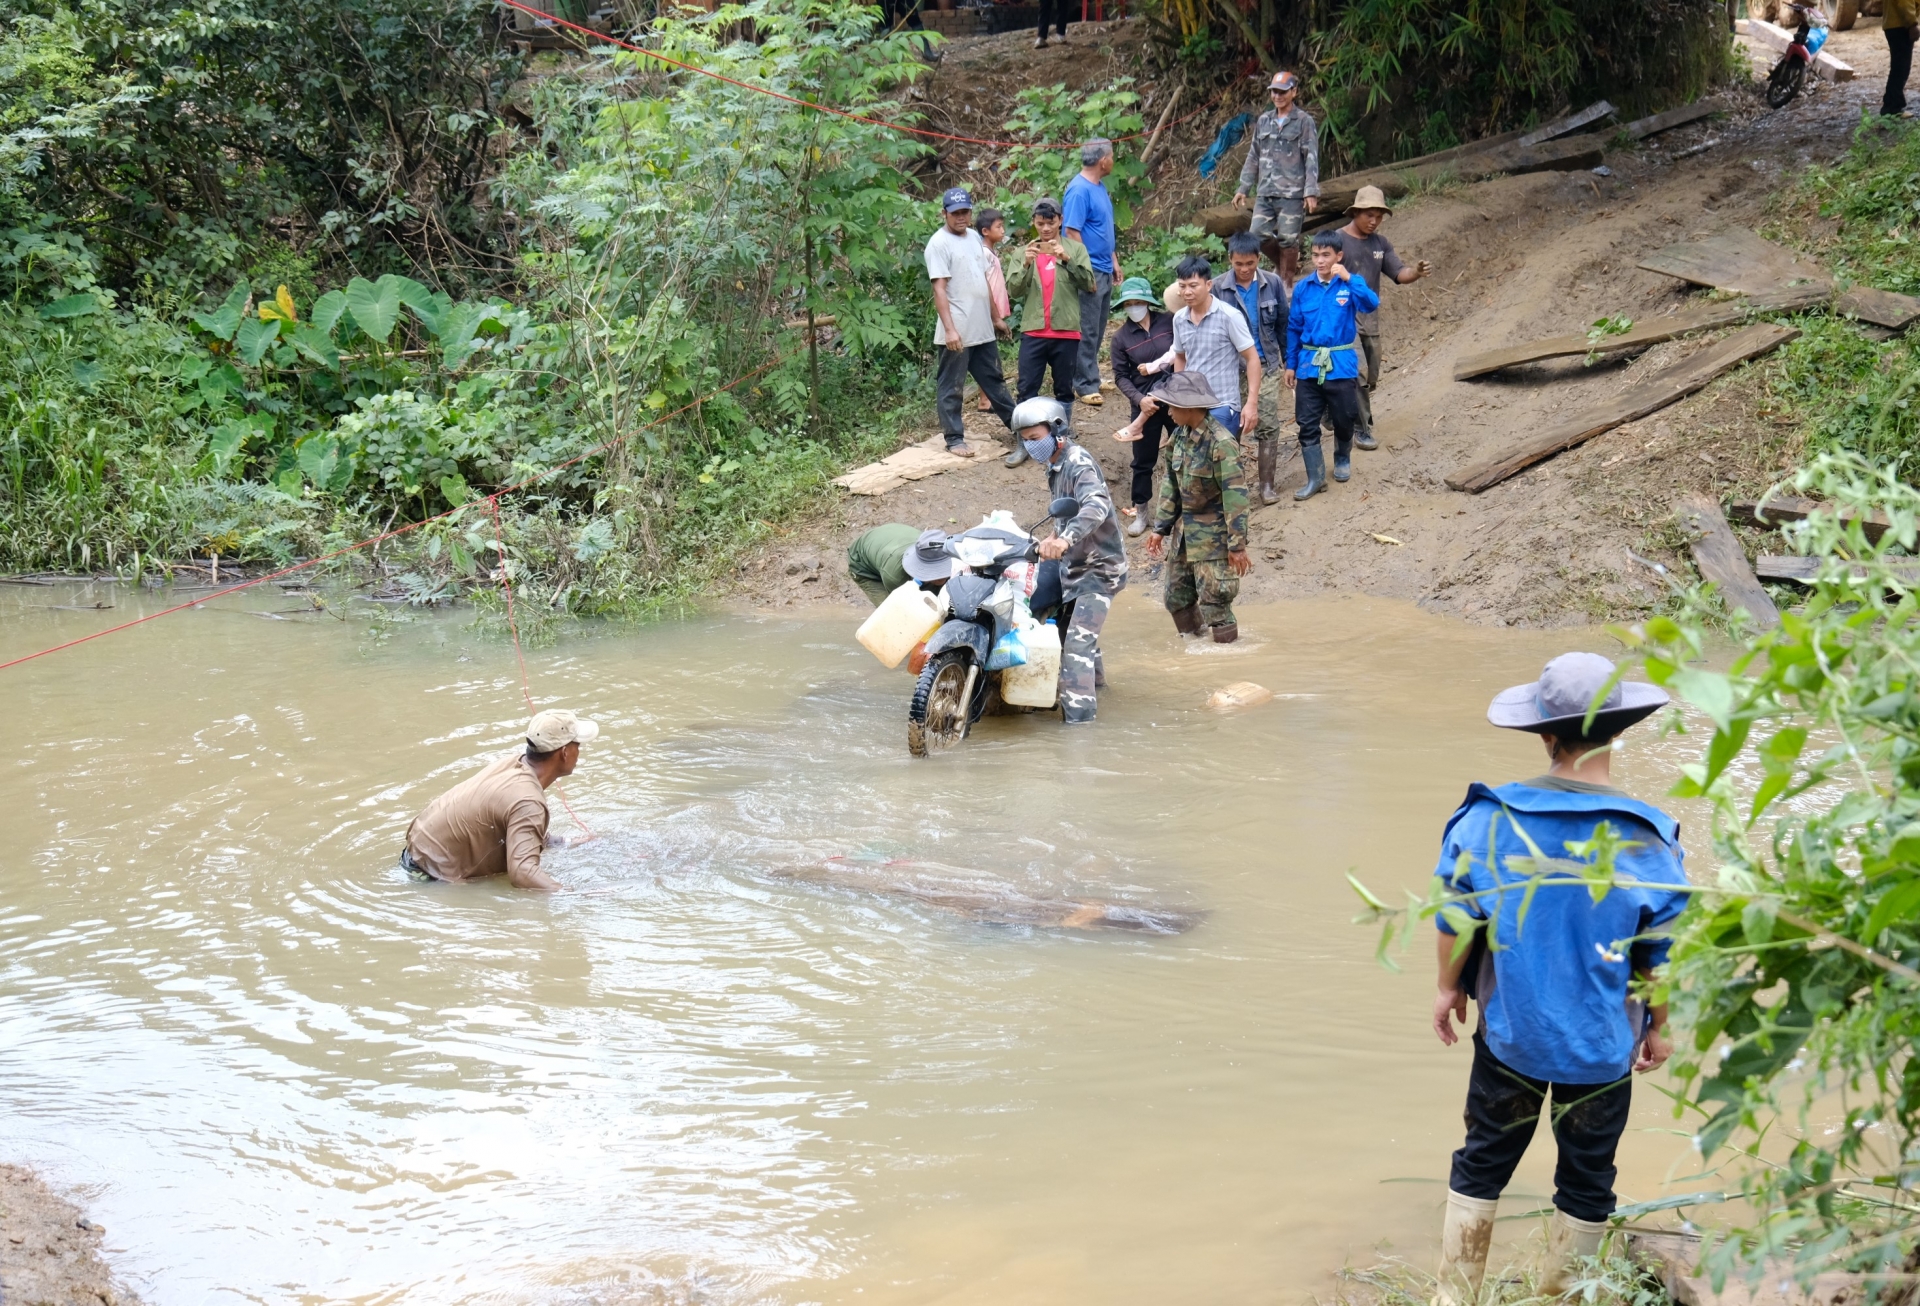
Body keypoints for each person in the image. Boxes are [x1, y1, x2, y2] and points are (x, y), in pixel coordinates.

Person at [1429, 652, 1686, 1305]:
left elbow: (1456, 919)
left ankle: (1453, 1296)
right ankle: (1564, 1297)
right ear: (1619, 732)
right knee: (1588, 1177)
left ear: (1544, 735)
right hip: (1602, 1049)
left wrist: (1447, 988)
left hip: (1512, 1035)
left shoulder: (1490, 818)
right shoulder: (1648, 838)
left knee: (1482, 1158)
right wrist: (1660, 1026)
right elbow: (1657, 953)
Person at [1009, 396, 1127, 723]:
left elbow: (1095, 506)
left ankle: (1079, 730)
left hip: (1098, 571)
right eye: (1026, 440)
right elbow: (1068, 511)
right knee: (1068, 634)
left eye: (1036, 439)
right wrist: (1053, 536)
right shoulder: (1056, 465)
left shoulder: (1079, 462)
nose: (1031, 447)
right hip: (1074, 568)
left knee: (1076, 650)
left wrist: (1064, 539)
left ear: (1057, 430)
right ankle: (1099, 689)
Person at [402, 709, 601, 892]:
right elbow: (523, 874)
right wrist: (575, 895)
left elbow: (519, 825)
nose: (580, 751)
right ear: (564, 753)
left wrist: (567, 842)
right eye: (578, 745)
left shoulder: (513, 764)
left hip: (415, 854)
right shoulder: (528, 800)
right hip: (429, 879)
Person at [1140, 372, 1250, 644]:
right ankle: (1194, 648)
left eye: (1172, 406)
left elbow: (1235, 497)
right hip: (1183, 534)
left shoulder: (1221, 443)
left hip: (1214, 537)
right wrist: (1160, 529)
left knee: (1216, 599)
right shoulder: (1178, 437)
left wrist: (1237, 545)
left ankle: (1226, 656)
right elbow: (1171, 485)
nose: (1169, 411)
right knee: (1175, 597)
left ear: (1189, 408)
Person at [1119, 256, 1260, 446]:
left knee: (1222, 466)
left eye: (1193, 285)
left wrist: (1251, 403)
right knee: (1193, 468)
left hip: (1222, 404)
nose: (1187, 292)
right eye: (1182, 286)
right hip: (1192, 406)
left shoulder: (1229, 316)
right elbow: (1180, 357)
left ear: (1208, 284)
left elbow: (1252, 358)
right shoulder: (1179, 319)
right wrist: (1179, 398)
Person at [1330, 184, 1429, 453]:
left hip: (1370, 319)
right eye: (1369, 215)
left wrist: (1416, 272)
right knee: (1359, 375)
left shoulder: (1381, 244)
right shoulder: (1337, 240)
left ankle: (1333, 407)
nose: (1374, 221)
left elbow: (1399, 273)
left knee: (1371, 376)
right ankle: (1362, 430)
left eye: (1379, 216)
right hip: (1343, 321)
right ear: (1356, 212)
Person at [1284, 230, 1376, 501]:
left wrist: (1349, 278)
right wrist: (1291, 364)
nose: (1320, 260)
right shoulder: (1303, 288)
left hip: (1340, 363)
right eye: (1315, 255)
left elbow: (1371, 304)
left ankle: (1342, 457)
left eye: (1326, 255)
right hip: (1309, 364)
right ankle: (1315, 478)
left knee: (1345, 417)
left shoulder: (1348, 285)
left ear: (1339, 256)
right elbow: (1294, 328)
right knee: (1306, 422)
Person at [1003, 198, 1095, 468]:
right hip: (1034, 329)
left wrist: (1065, 260)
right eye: (1040, 223)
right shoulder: (1023, 252)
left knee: (1064, 388)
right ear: (1034, 223)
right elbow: (1013, 291)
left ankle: (1062, 442)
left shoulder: (1075, 249)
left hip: (1065, 330)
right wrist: (1026, 264)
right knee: (1026, 388)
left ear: (1060, 220)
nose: (1045, 229)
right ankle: (1023, 445)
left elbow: (1089, 283)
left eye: (1050, 222)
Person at [926, 187, 1016, 459]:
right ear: (945, 214)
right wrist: (951, 330)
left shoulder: (975, 237)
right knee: (951, 387)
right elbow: (939, 289)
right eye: (955, 213)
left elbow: (982, 280)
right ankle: (954, 439)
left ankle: (1019, 427)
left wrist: (996, 317)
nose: (961, 217)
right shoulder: (938, 244)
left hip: (982, 328)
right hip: (958, 332)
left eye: (965, 212)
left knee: (995, 381)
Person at [1212, 231, 1290, 504]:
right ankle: (1234, 488)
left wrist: (1288, 362)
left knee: (1267, 423)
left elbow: (1283, 324)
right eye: (1238, 264)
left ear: (1258, 259)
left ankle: (1266, 486)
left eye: (1250, 263)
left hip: (1266, 363)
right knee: (1228, 426)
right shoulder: (1218, 288)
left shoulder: (1273, 283)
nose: (1244, 270)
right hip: (1229, 369)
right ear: (1230, 260)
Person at [1233, 70, 1320, 282]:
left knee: (1288, 240)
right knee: (1257, 235)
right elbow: (1253, 155)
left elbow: (1311, 158)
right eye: (1274, 92)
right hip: (1265, 192)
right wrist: (1243, 188)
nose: (1277, 96)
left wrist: (1310, 191)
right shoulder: (1264, 121)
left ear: (1294, 92)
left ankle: (1286, 281)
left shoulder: (1303, 121)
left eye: (1282, 92)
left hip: (1292, 193)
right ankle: (1283, 266)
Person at [1108, 276, 1178, 537]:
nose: (1134, 307)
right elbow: (1120, 376)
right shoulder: (1121, 338)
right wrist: (1140, 400)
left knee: (1184, 452)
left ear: (1148, 302)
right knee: (1142, 461)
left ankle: (1181, 507)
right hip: (1144, 403)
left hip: (1176, 400)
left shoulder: (1169, 322)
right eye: (1129, 304)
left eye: (1139, 302)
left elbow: (1180, 352)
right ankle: (1142, 512)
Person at [1063, 139, 1121, 409]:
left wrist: (1114, 260)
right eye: (1111, 156)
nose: (1113, 160)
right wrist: (1085, 269)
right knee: (1086, 328)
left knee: (1098, 327)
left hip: (1104, 266)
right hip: (1090, 269)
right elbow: (1072, 232)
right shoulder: (1079, 190)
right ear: (1103, 160)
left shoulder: (1100, 187)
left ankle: (1092, 376)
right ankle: (1083, 383)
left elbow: (1103, 229)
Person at [847, 524, 953, 606]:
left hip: (894, 536)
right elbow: (907, 609)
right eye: (936, 571)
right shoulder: (895, 576)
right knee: (892, 615)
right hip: (862, 564)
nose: (941, 576)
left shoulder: (935, 547)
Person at [976, 207, 1014, 411]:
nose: (1003, 230)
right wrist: (994, 314)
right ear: (985, 231)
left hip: (993, 310)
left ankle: (986, 398)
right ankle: (985, 399)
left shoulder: (991, 252)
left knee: (989, 355)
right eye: (998, 226)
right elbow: (984, 282)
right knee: (987, 357)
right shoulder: (983, 253)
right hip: (987, 312)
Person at [1884, 0, 1917, 117]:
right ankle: (1892, 108)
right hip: (1900, 26)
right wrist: (1912, 24)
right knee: (1900, 68)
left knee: (1899, 67)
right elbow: (1904, 3)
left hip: (1895, 25)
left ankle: (1892, 105)